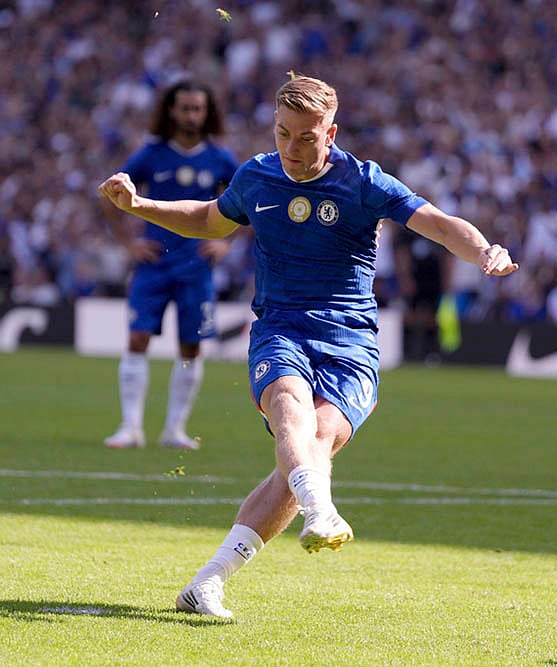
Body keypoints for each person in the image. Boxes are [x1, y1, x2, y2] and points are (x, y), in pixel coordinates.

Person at [98, 74, 519, 619]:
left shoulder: (363, 182)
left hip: (351, 342)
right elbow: (208, 219)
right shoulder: (257, 177)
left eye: (305, 137)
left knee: (313, 448)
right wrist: (139, 206)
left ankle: (207, 583)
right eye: (282, 134)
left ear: (331, 132)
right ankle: (321, 509)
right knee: (290, 412)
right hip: (281, 327)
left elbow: (437, 224)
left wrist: (483, 249)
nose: (292, 149)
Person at [103, 80, 240, 451]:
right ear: (171, 111)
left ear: (207, 113)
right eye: (185, 109)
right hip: (153, 265)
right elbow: (109, 194)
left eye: (198, 109)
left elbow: (249, 202)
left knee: (190, 347)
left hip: (196, 267)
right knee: (137, 339)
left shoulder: (221, 159)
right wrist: (129, 243)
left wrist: (225, 243)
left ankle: (174, 429)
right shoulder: (151, 155)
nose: (192, 115)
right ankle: (130, 426)